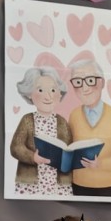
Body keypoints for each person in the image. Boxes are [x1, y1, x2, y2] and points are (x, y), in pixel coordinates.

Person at [66, 57, 111, 198]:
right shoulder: (73, 115)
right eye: (78, 82)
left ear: (101, 82)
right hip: (79, 184)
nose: (85, 88)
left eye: (90, 80)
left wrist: (101, 164)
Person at [9, 66, 71, 196]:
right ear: (29, 94)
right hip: (31, 184)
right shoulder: (27, 120)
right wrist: (32, 157)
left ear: (60, 93)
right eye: (41, 90)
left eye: (53, 90)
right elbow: (16, 147)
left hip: (59, 184)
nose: (48, 96)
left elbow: (69, 148)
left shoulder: (62, 122)